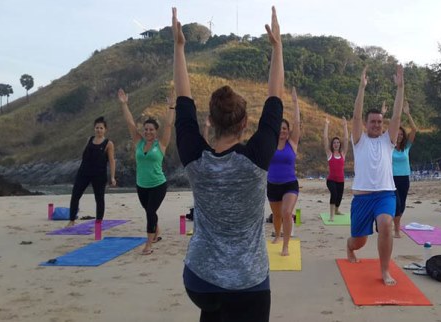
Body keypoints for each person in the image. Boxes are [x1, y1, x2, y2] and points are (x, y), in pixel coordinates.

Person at [173, 6, 284, 321]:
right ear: (246, 123)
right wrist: (278, 48)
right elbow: (275, 97)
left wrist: (179, 47)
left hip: (200, 282)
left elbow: (183, 100)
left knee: (214, 311)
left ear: (210, 120)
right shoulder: (257, 157)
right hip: (248, 283)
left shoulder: (194, 156)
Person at [347, 65, 404, 286]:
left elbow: (397, 115)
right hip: (362, 197)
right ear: (366, 124)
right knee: (359, 241)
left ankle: (385, 270)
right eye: (373, 121)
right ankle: (349, 246)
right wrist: (361, 87)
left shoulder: (387, 141)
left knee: (386, 224)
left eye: (380, 122)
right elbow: (355, 115)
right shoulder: (359, 141)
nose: (377, 124)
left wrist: (400, 88)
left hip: (385, 194)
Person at [117, 88, 174, 255]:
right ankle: (157, 230)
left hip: (158, 184)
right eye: (146, 129)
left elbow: (169, 125)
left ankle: (149, 244)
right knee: (150, 211)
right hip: (141, 185)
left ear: (156, 132)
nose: (148, 132)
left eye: (151, 130)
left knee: (150, 212)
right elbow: (130, 124)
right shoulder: (139, 143)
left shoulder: (161, 144)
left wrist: (171, 107)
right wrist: (124, 104)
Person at [267, 86, 300, 256]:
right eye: (280, 128)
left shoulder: (292, 143)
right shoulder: (270, 143)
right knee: (276, 215)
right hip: (272, 184)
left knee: (287, 213)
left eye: (285, 129)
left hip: (290, 184)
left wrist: (295, 103)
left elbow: (297, 123)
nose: (283, 131)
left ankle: (285, 245)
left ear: (288, 132)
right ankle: (278, 234)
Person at [67, 117, 116, 226]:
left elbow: (112, 161)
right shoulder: (89, 139)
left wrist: (112, 177)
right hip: (84, 172)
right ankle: (71, 220)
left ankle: (98, 223)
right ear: (94, 129)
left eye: (101, 128)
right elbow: (85, 155)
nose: (99, 130)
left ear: (105, 129)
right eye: (97, 128)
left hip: (99, 175)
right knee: (75, 195)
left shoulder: (108, 144)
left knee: (99, 199)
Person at [392, 101, 418, 237]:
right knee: (396, 203)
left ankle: (396, 223)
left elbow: (414, 130)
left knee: (402, 205)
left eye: (402, 134)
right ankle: (396, 229)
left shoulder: (406, 148)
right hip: (392, 179)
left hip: (404, 179)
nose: (400, 136)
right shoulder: (388, 147)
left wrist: (408, 114)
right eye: (398, 134)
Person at [323, 116, 348, 222]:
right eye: (334, 143)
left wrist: (345, 126)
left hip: (341, 180)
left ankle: (337, 210)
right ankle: (332, 215)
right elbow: (325, 139)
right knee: (334, 194)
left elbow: (346, 139)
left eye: (338, 142)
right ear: (332, 145)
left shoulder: (343, 154)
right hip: (331, 180)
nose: (336, 144)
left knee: (338, 198)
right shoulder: (329, 154)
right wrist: (327, 124)